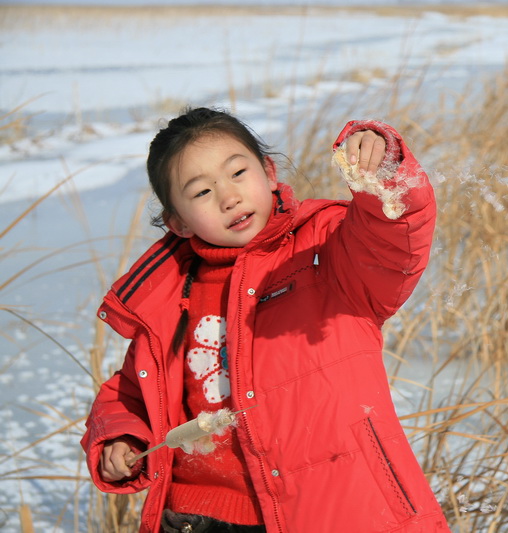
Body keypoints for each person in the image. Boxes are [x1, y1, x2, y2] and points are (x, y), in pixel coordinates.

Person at [81, 107, 450, 533]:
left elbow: (392, 238)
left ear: (269, 172)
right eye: (201, 192)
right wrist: (121, 438)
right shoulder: (167, 300)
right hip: (195, 517)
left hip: (330, 507)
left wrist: (382, 171)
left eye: (238, 173)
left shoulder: (323, 252)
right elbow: (132, 391)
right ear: (178, 222)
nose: (228, 197)